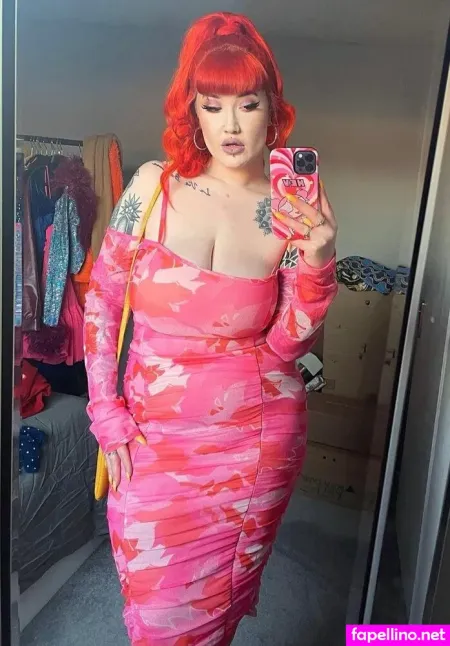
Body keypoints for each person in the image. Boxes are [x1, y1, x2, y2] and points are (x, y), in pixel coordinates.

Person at [84, 11, 338, 645]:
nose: (229, 125)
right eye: (212, 105)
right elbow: (103, 302)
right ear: (191, 110)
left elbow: (287, 347)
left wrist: (318, 261)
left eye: (247, 105)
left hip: (254, 443)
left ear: (272, 112)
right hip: (151, 440)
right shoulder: (151, 186)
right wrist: (105, 411)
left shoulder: (286, 212)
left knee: (214, 620)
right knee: (156, 619)